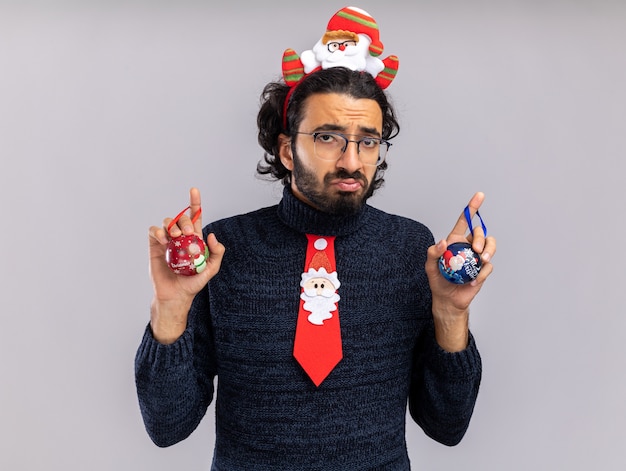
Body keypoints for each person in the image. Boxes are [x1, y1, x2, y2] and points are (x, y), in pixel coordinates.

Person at [135, 6, 496, 470]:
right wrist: (170, 309)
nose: (351, 160)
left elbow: (447, 426)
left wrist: (450, 313)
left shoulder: (412, 249)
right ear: (287, 149)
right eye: (328, 138)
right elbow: (167, 426)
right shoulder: (224, 248)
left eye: (367, 141)